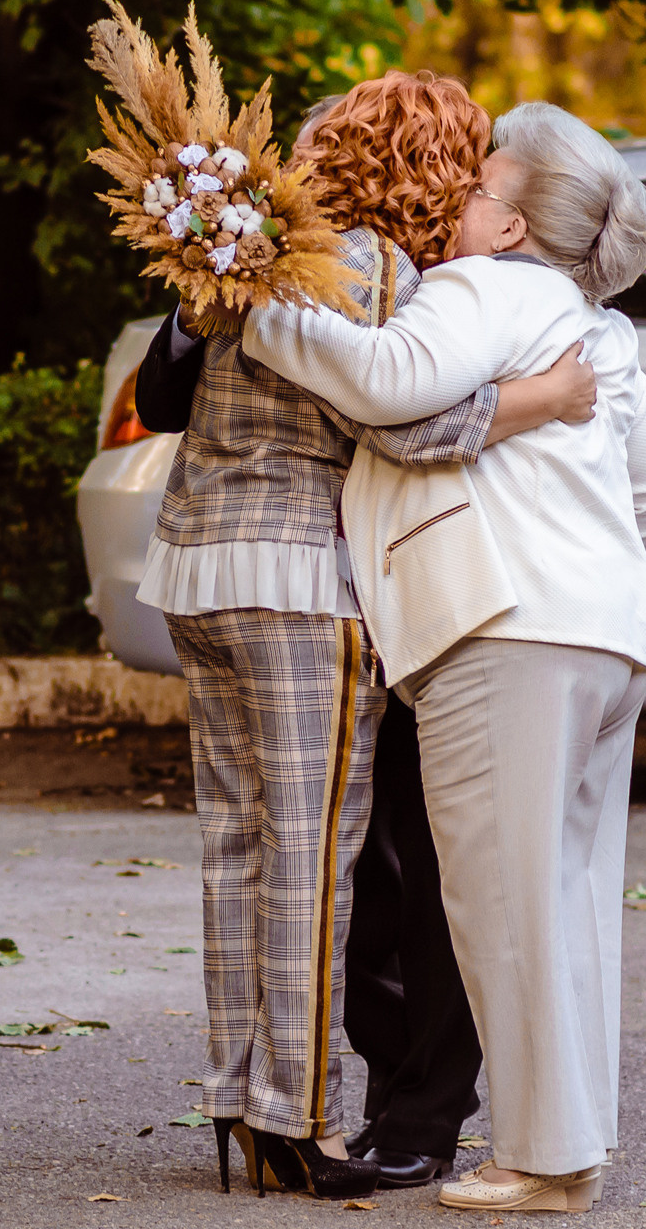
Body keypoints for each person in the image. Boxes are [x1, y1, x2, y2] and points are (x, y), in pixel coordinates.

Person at [134, 74, 596, 1200]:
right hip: (300, 582)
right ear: (430, 169)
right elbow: (405, 425)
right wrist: (548, 398)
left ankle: (236, 1101)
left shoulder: (243, 262)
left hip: (194, 570)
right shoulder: (374, 270)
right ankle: (298, 1123)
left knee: (234, 848)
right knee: (311, 861)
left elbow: (179, 398)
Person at [241, 102, 646, 1213]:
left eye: (481, 189)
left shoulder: (484, 288)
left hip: (507, 635)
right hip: (608, 633)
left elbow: (388, 381)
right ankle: (568, 1145)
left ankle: (541, 1163)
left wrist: (260, 312)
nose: (460, 204)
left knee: (498, 907)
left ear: (513, 225)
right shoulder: (597, 326)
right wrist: (575, 530)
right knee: (567, 903)